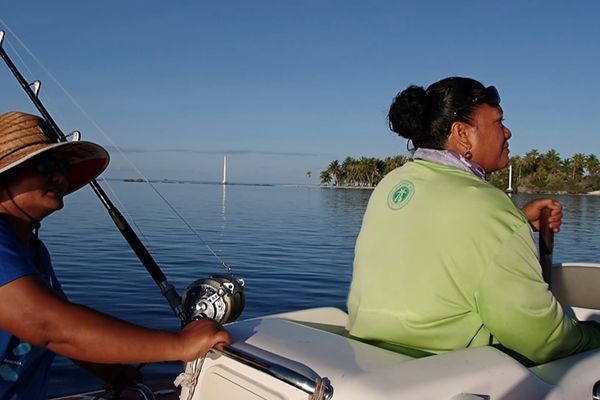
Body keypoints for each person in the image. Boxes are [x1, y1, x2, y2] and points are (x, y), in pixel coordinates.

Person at [346, 77, 600, 365]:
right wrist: (592, 335)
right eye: (498, 121)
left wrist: (518, 221)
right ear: (463, 134)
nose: (508, 132)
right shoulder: (487, 205)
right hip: (447, 371)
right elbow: (542, 341)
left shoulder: (392, 183)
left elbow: (433, 234)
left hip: (371, 357)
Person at [0, 111, 231, 398]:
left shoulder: (34, 251)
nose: (60, 176)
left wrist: (115, 375)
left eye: (62, 166)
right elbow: (47, 325)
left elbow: (64, 329)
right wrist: (180, 345)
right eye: (46, 165)